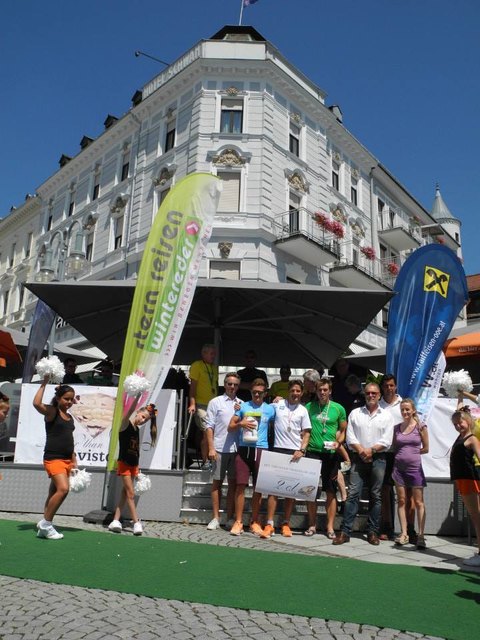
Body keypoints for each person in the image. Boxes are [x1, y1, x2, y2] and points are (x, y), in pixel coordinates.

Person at [333, 382, 394, 546]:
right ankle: (345, 531)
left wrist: (371, 451)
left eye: (374, 393)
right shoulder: (355, 413)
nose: (371, 396)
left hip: (379, 458)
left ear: (379, 395)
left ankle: (372, 531)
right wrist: (362, 451)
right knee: (353, 494)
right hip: (358, 458)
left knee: (376, 496)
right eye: (368, 393)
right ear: (364, 394)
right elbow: (350, 437)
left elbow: (387, 440)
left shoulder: (387, 415)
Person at [263, 379, 312, 538]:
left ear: (302, 393)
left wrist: (302, 450)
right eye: (293, 391)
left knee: (290, 491)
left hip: (295, 452)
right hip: (278, 448)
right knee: (273, 490)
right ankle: (269, 524)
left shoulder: (303, 410)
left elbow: (306, 433)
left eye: (298, 391)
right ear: (288, 391)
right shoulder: (277, 405)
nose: (295, 393)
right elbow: (262, 410)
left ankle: (285, 523)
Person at [228, 378, 275, 536]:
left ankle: (255, 521)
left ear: (265, 393)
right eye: (254, 392)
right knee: (240, 486)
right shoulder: (243, 406)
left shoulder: (270, 409)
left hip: (261, 449)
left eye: (260, 392)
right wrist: (241, 424)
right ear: (251, 392)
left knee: (258, 488)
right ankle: (239, 521)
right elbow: (230, 427)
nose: (257, 395)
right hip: (244, 449)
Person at [33, 377, 77, 540]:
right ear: (58, 398)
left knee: (53, 492)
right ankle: (46, 524)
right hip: (53, 458)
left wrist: (74, 462)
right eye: (66, 399)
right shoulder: (52, 411)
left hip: (67, 460)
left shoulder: (70, 417)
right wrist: (44, 383)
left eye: (72, 399)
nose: (69, 402)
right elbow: (37, 404)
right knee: (63, 489)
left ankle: (44, 524)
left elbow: (70, 441)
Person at [108, 399, 157, 536]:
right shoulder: (125, 425)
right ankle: (136, 522)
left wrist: (138, 468)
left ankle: (115, 520)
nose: (142, 420)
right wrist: (137, 396)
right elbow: (129, 410)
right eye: (142, 417)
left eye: (146, 420)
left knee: (125, 493)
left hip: (133, 465)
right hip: (124, 463)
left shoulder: (136, 430)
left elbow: (135, 450)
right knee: (130, 493)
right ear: (137, 413)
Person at [305, 378, 347, 538]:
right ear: (315, 391)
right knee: (310, 491)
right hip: (313, 451)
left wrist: (339, 443)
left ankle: (330, 527)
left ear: (330, 391)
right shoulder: (309, 407)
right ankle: (312, 525)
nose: (322, 392)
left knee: (330, 491)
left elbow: (343, 430)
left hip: (330, 454)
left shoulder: (338, 408)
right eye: (319, 390)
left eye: (325, 390)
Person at [204, 372, 241, 531]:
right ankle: (215, 517)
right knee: (216, 483)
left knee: (233, 485)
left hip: (236, 449)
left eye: (235, 384)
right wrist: (211, 448)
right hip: (218, 448)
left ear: (238, 386)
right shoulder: (215, 402)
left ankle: (230, 517)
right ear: (224, 384)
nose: (232, 387)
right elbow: (209, 426)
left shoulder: (241, 403)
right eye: (229, 384)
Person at [391, 399, 429, 549]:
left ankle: (421, 535)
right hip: (398, 469)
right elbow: (395, 447)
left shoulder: (420, 426)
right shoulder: (397, 428)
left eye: (407, 409)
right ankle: (404, 533)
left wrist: (413, 454)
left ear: (413, 410)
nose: (405, 412)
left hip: (415, 469)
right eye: (402, 410)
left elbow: (426, 448)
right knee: (401, 500)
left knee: (418, 502)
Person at [450, 407, 480, 567]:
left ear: (468, 421)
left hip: (470, 480)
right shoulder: (460, 437)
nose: (457, 426)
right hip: (462, 480)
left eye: (460, 422)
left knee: (477, 516)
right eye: (455, 424)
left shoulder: (471, 438)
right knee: (475, 516)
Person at [379, 374, 403, 541]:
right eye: (386, 385)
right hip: (384, 452)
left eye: (391, 385)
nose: (389, 388)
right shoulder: (378, 405)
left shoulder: (404, 405)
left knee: (404, 493)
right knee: (385, 491)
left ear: (395, 386)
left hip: (401, 454)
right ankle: (387, 526)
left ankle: (408, 529)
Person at [188, 344, 218, 468]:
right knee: (207, 431)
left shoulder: (214, 368)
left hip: (213, 405)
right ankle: (206, 461)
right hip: (201, 404)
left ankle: (212, 460)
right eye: (210, 353)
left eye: (214, 354)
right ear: (203, 354)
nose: (213, 356)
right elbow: (193, 386)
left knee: (214, 433)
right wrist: (192, 403)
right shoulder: (197, 365)